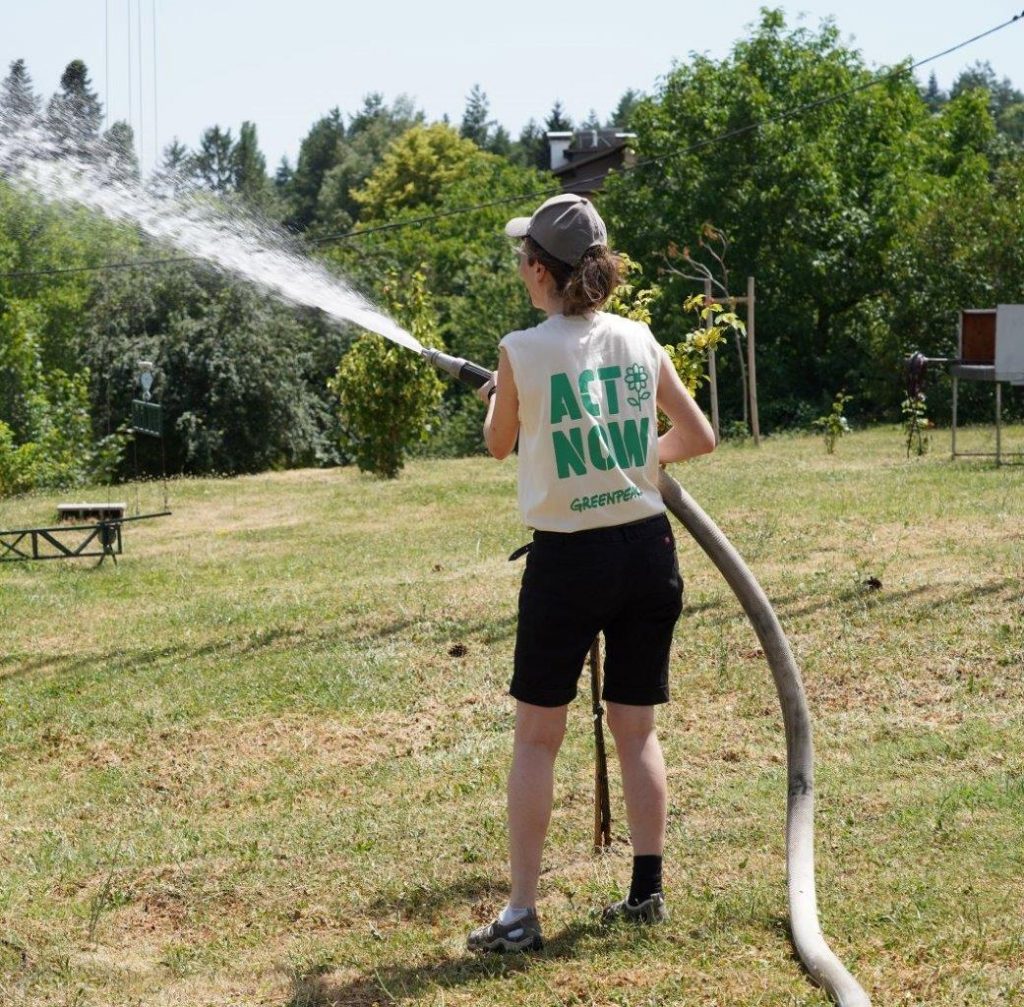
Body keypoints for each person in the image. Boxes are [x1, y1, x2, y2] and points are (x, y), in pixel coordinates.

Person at [466, 194, 717, 954]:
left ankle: (519, 913)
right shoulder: (641, 339)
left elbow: (498, 443)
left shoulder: (520, 350)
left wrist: (497, 398)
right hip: (646, 551)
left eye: (522, 260)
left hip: (567, 560)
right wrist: (635, 459)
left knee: (538, 737)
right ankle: (647, 892)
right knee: (635, 728)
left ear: (539, 271)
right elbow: (697, 435)